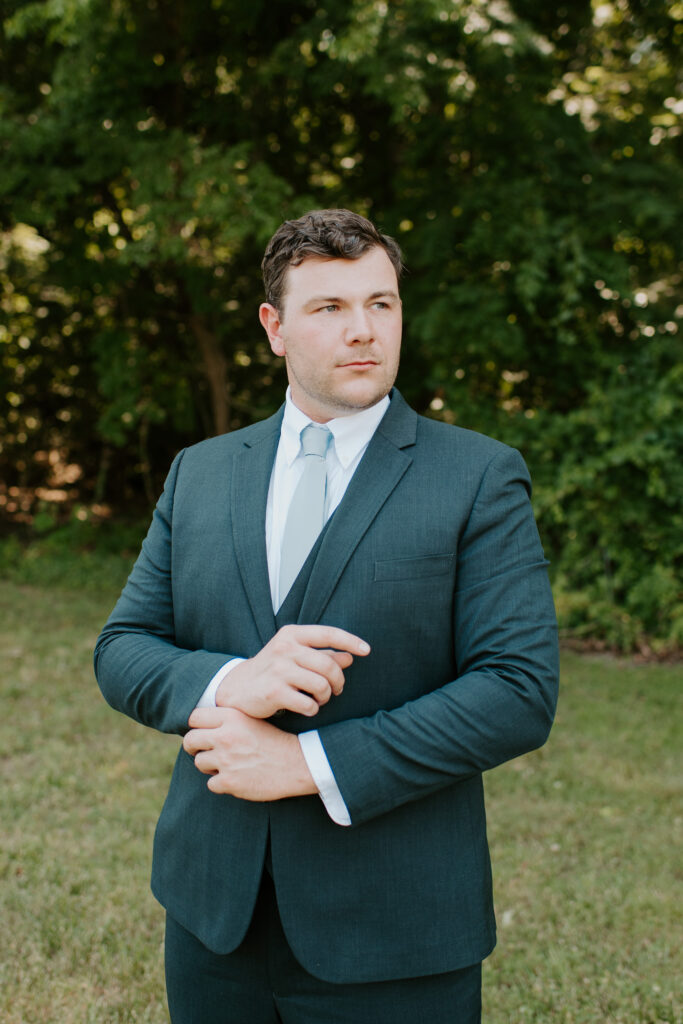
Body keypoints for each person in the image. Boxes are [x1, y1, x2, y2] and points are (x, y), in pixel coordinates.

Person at [94, 208, 559, 1024]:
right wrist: (234, 680)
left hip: (394, 930)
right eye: (329, 309)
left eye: (380, 305)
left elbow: (517, 691)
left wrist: (309, 765)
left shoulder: (478, 477)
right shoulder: (199, 473)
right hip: (213, 921)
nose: (363, 332)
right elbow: (123, 647)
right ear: (274, 327)